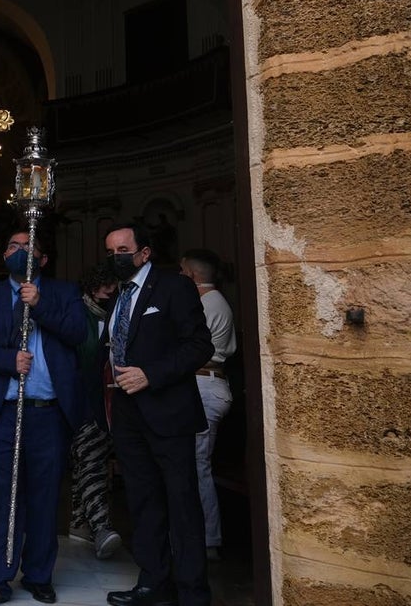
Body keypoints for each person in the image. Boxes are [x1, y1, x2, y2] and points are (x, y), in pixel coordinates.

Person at [0, 231, 87, 606]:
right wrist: (9, 361)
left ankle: (38, 574)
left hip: (47, 413)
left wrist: (41, 304)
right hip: (3, 412)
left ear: (44, 258)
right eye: (12, 247)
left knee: (44, 496)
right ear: (3, 255)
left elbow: (78, 334)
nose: (19, 252)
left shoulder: (64, 293)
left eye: (28, 247)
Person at [103, 223, 214, 606]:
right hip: (129, 415)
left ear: (144, 253)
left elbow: (200, 345)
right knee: (143, 501)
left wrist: (152, 374)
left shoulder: (173, 287)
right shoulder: (119, 296)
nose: (115, 257)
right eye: (110, 251)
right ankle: (153, 584)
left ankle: (193, 593)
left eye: (122, 250)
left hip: (168, 412)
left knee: (182, 504)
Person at [178, 249, 236, 562]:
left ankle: (207, 538)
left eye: (181, 272)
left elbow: (188, 346)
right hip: (207, 384)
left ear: (193, 276)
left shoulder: (207, 304)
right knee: (194, 462)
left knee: (198, 464)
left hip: (205, 383)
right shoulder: (215, 302)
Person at [67, 262, 123, 559]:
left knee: (91, 462)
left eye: (113, 287)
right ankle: (101, 526)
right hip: (85, 402)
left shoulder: (116, 314)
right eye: (104, 286)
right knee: (91, 462)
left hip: (110, 402)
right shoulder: (79, 314)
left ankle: (79, 524)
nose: (109, 292)